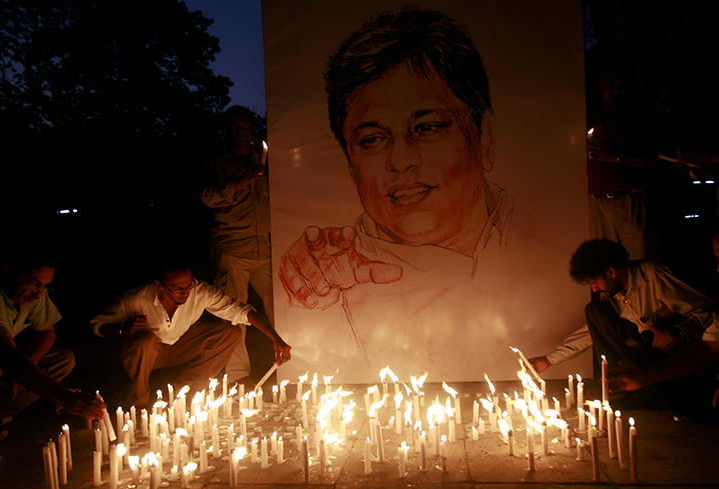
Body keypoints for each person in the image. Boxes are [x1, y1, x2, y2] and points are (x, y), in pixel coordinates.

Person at [276, 9, 581, 381]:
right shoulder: (319, 290)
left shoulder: (554, 264)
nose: (401, 161)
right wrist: (313, 304)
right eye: (372, 139)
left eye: (428, 127)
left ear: (483, 137)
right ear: (349, 162)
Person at [90, 260, 290, 407]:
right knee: (145, 340)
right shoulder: (136, 300)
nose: (185, 293)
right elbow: (98, 325)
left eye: (189, 285)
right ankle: (139, 401)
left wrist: (276, 339)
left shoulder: (199, 292)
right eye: (177, 289)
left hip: (178, 345)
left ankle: (187, 391)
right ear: (159, 285)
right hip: (146, 354)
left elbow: (241, 311)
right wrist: (123, 329)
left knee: (229, 333)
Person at [529, 239, 718, 391]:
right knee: (594, 312)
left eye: (594, 282)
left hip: (684, 347)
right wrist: (549, 360)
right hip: (647, 346)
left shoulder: (656, 276)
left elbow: (709, 312)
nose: (594, 288)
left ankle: (643, 388)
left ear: (611, 272)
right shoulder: (615, 294)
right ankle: (621, 382)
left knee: (634, 362)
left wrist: (678, 333)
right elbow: (591, 333)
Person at [0, 259, 105, 457]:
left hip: (4, 365)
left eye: (45, 286)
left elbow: (47, 332)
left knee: (63, 359)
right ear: (8, 272)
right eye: (34, 283)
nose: (39, 293)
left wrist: (32, 362)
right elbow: (4, 353)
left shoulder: (33, 296)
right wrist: (64, 397)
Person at [200, 106, 273, 384]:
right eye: (235, 126)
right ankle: (238, 377)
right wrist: (243, 181)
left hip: (266, 249)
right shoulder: (217, 165)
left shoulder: (265, 160)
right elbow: (208, 197)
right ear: (227, 131)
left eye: (245, 125)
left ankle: (291, 362)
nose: (241, 130)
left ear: (252, 130)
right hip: (232, 248)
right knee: (234, 313)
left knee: (284, 306)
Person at [586, 71, 664, 260]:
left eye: (619, 84)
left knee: (638, 260)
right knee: (604, 263)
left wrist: (615, 157)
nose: (615, 89)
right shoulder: (590, 118)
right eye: (609, 83)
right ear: (599, 87)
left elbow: (655, 159)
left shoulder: (637, 120)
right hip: (597, 200)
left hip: (629, 199)